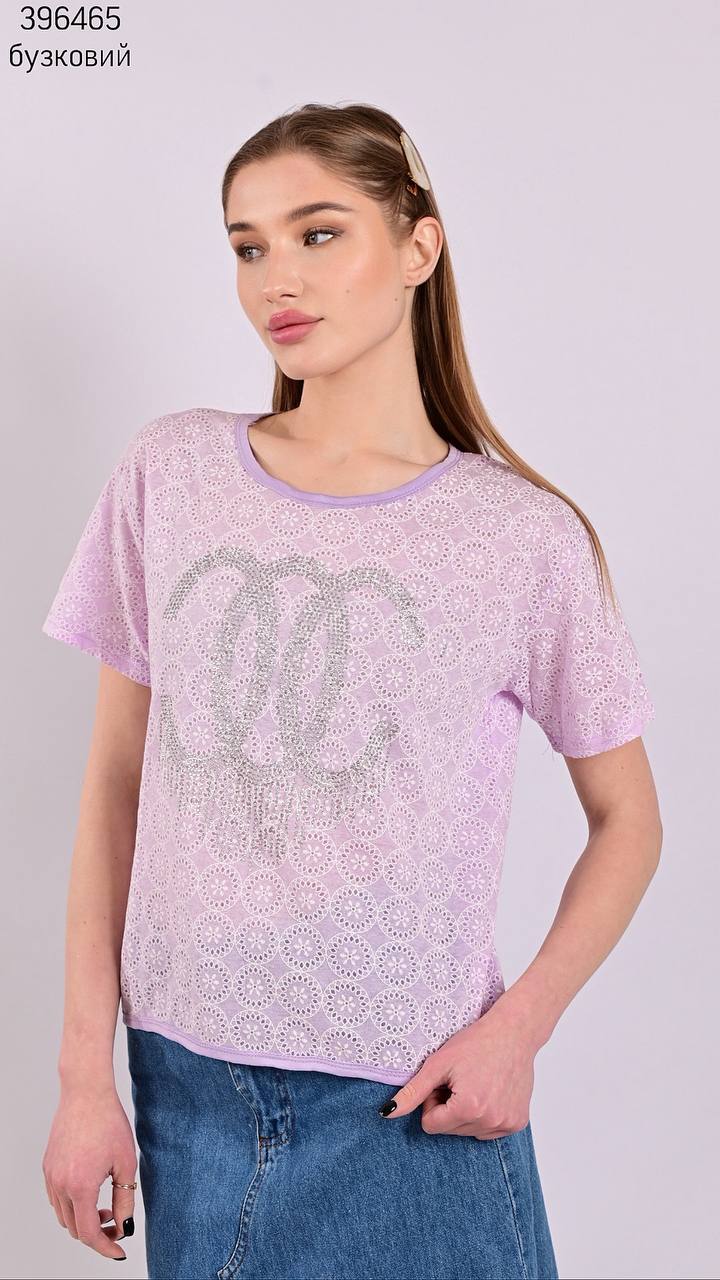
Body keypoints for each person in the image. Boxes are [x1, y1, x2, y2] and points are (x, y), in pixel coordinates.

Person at [40, 102, 662, 1279]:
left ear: (419, 246)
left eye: (318, 233)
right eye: (248, 245)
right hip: (187, 1096)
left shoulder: (520, 538)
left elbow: (630, 820)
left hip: (413, 1105)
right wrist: (84, 1078)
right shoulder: (172, 471)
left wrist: (520, 1027)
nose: (277, 277)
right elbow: (115, 783)